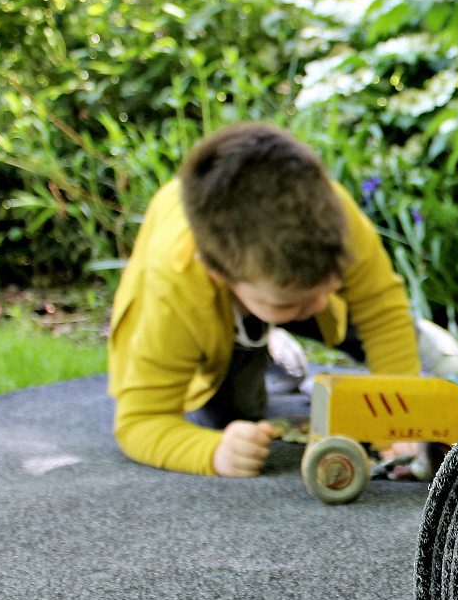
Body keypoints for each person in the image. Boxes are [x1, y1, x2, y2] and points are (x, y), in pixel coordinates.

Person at [108, 121, 434, 478]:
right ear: (218, 273)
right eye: (286, 306)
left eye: (331, 284)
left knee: (423, 356)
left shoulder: (332, 214)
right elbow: (140, 423)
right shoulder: (172, 290)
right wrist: (213, 452)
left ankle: (273, 322)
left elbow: (381, 312)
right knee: (236, 413)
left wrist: (403, 418)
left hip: (269, 290)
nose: (320, 305)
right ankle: (254, 341)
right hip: (207, 311)